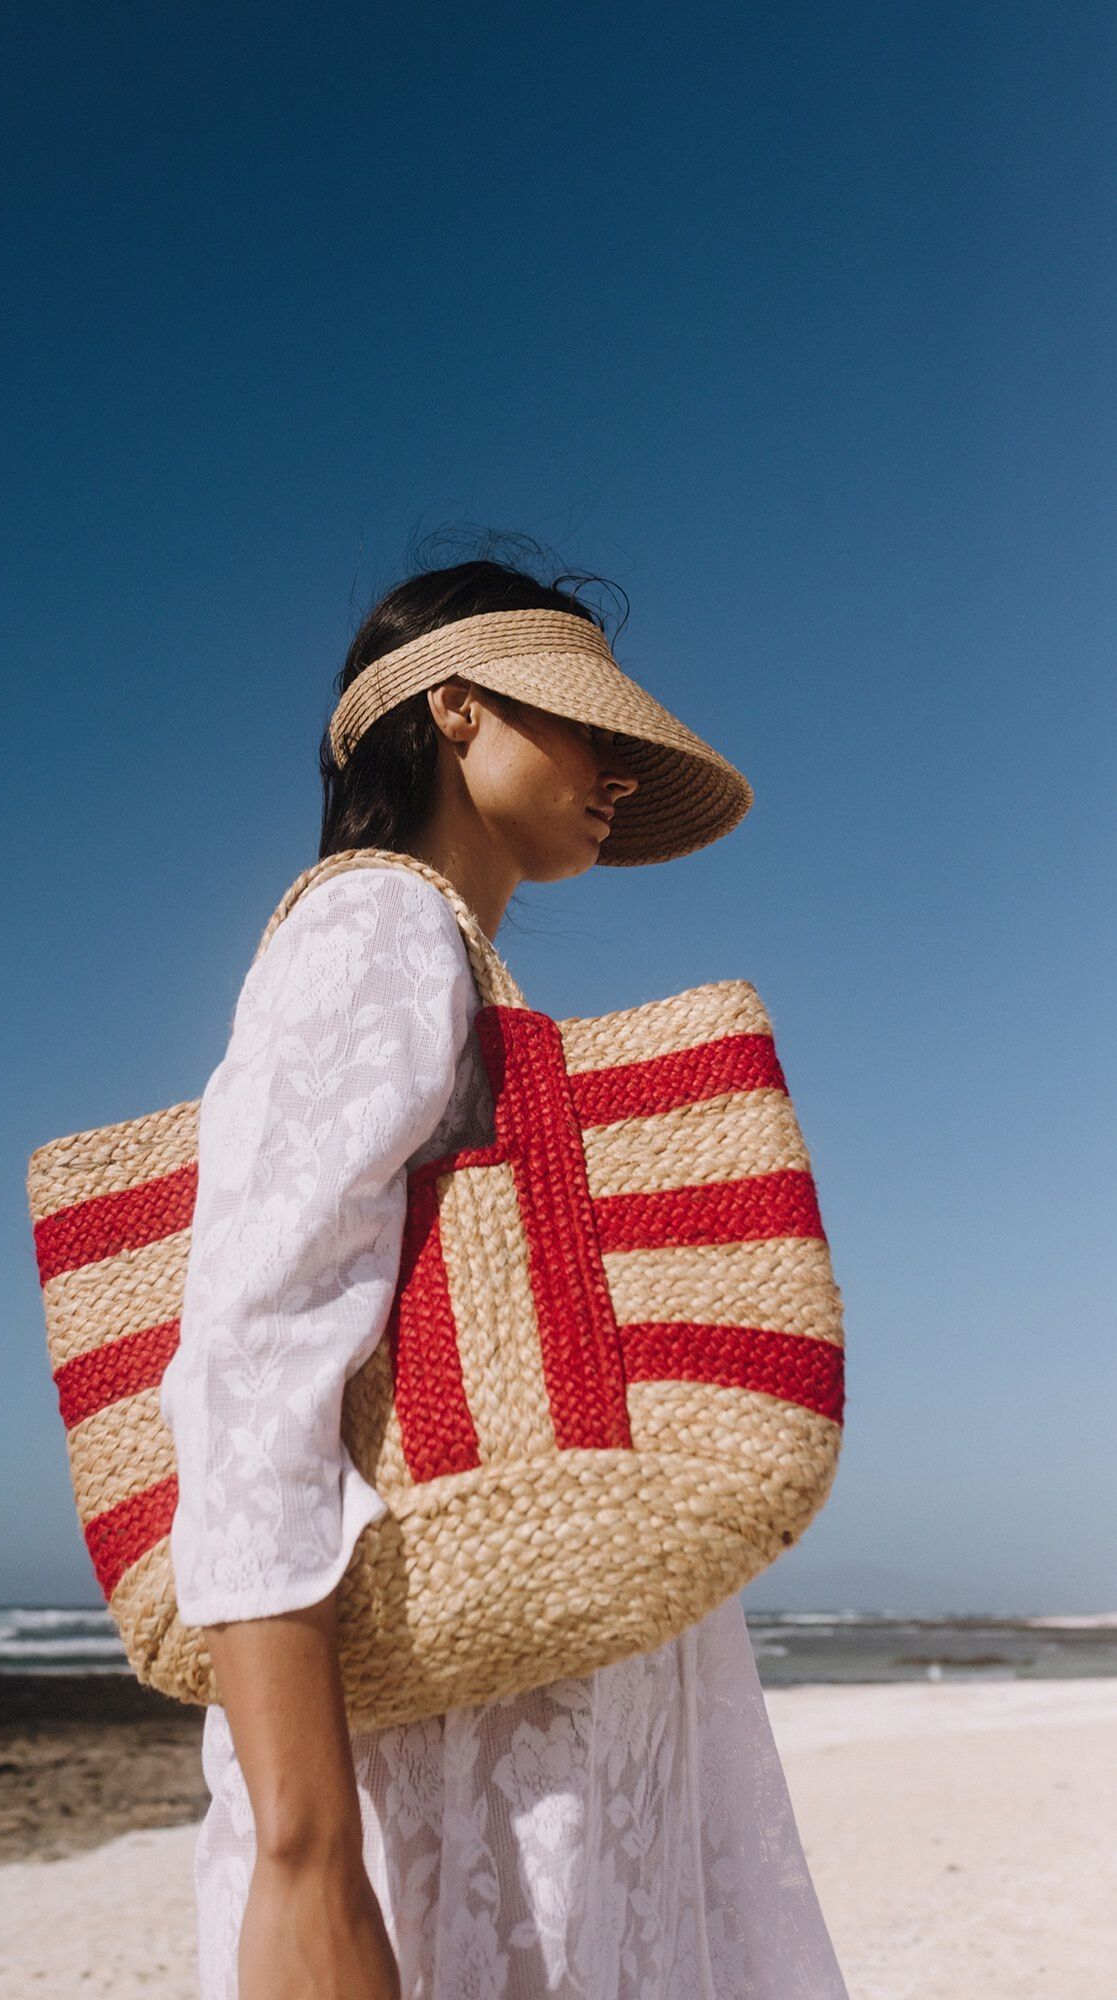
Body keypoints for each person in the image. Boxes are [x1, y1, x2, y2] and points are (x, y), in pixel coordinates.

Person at [158, 547, 851, 1999]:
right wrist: (304, 1856)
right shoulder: (375, 923)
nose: (614, 768)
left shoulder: (429, 949)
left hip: (510, 1739)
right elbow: (249, 1356)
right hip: (456, 1774)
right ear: (457, 708)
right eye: (585, 720)